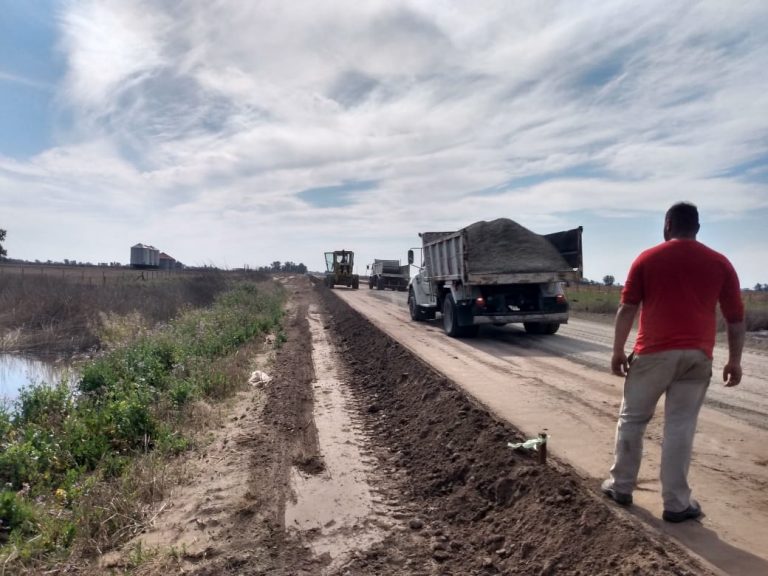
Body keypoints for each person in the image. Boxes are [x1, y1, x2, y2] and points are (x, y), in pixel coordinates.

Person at [601, 202, 745, 523]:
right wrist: (734, 361)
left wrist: (617, 350)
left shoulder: (648, 259)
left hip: (653, 353)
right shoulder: (720, 263)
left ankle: (621, 486)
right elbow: (735, 320)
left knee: (633, 419)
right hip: (697, 357)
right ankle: (677, 504)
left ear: (667, 225)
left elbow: (627, 308)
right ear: (697, 227)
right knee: (680, 427)